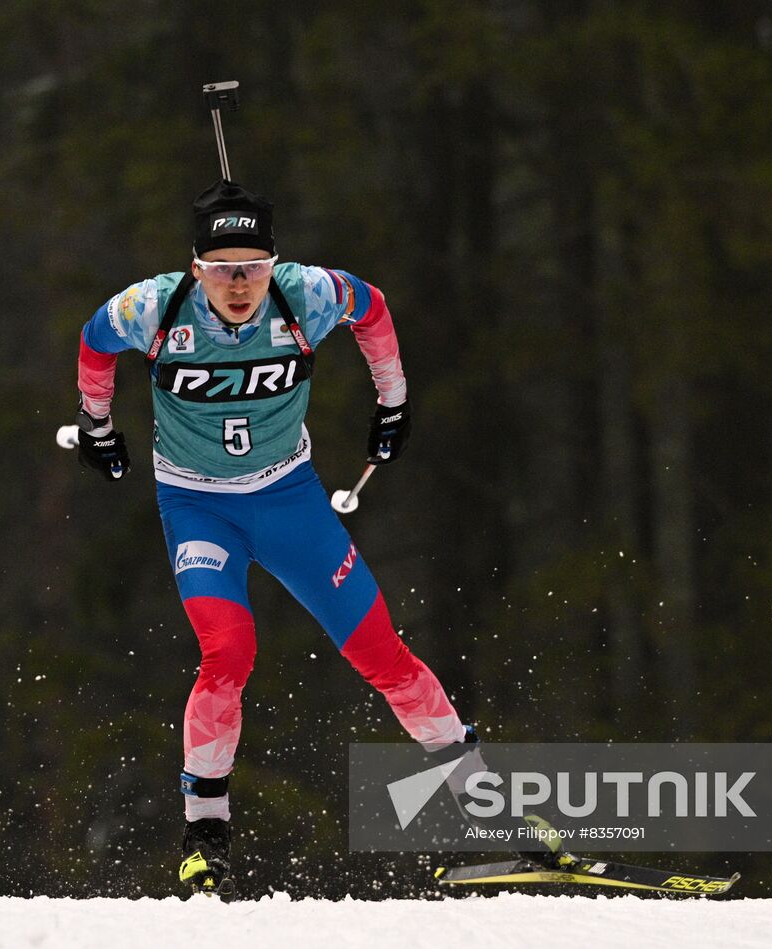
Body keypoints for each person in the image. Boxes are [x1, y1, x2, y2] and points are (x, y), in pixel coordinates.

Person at [73, 179, 475, 895]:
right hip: (199, 507)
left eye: (252, 266)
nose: (238, 283)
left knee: (381, 649)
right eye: (222, 267)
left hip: (289, 499)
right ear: (195, 267)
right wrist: (98, 426)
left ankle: (479, 803)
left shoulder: (306, 293)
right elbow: (94, 340)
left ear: (273, 262)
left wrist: (395, 399)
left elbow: (373, 309)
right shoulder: (156, 305)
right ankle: (205, 830)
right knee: (228, 651)